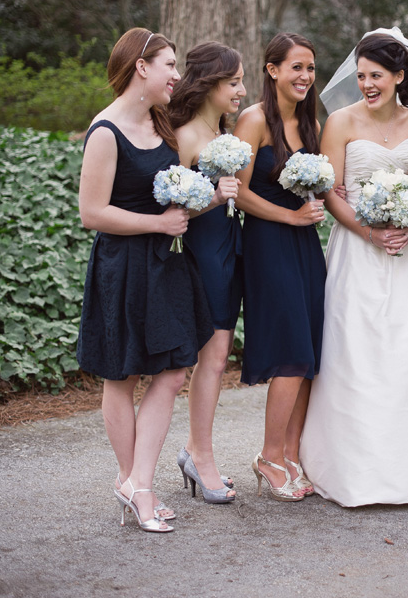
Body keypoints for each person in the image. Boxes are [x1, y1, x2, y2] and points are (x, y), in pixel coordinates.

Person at [299, 29, 408, 506]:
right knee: (356, 353)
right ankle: (353, 468)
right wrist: (371, 232)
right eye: (360, 76)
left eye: (376, 75)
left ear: (399, 76)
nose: (367, 84)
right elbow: (332, 192)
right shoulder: (340, 123)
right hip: (357, 249)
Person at [77, 28, 220, 532]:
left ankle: (137, 481)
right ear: (142, 67)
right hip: (123, 266)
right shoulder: (105, 132)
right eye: (169, 65)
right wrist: (159, 223)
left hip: (166, 265)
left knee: (175, 369)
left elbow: (176, 195)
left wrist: (217, 194)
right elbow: (91, 213)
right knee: (122, 374)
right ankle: (137, 486)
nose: (176, 76)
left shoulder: (163, 126)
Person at [232, 32, 325, 502]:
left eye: (310, 68)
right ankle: (269, 455)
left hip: (306, 243)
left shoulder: (309, 122)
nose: (305, 76)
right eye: (296, 67)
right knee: (290, 351)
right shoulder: (254, 120)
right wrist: (290, 214)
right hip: (269, 242)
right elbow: (240, 190)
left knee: (309, 355)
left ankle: (291, 453)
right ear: (272, 70)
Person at [168, 41, 246, 504]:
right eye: (233, 82)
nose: (240, 90)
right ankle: (202, 457)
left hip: (233, 249)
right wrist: (215, 198)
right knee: (212, 358)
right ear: (208, 84)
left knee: (218, 358)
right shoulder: (183, 137)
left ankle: (194, 450)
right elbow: (174, 210)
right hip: (204, 253)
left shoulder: (224, 133)